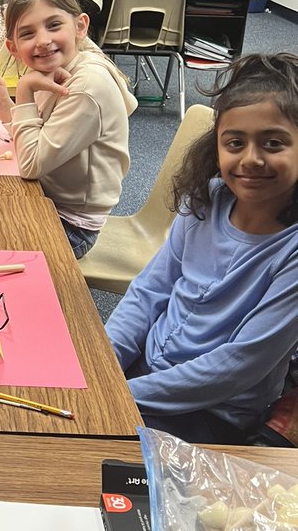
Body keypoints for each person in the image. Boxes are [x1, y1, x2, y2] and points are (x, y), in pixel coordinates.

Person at [107, 53, 298, 444]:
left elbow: (237, 366)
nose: (251, 159)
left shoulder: (291, 250)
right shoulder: (207, 198)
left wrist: (119, 395)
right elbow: (149, 291)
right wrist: (105, 363)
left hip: (210, 410)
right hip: (148, 375)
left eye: (274, 143)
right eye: (235, 143)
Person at [0, 0, 137, 258]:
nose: (43, 41)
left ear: (80, 26)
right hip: (48, 200)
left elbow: (31, 164)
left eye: (53, 25)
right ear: (12, 47)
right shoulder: (62, 67)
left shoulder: (87, 86)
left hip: (72, 225)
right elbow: (39, 138)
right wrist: (4, 106)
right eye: (27, 34)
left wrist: (23, 91)